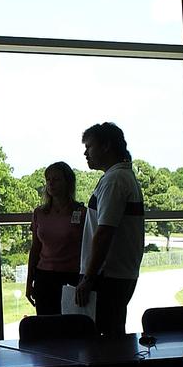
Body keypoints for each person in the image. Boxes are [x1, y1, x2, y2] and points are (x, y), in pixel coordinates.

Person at [75, 122, 144, 337]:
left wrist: (89, 277)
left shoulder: (114, 180)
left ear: (106, 146)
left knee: (103, 342)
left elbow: (104, 232)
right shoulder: (122, 177)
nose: (86, 153)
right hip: (117, 275)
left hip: (108, 276)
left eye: (89, 146)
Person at [26, 161, 84, 316]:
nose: (51, 183)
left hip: (71, 278)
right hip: (44, 278)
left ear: (68, 183)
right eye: (48, 179)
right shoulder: (39, 213)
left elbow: (89, 250)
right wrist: (29, 282)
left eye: (56, 179)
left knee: (71, 329)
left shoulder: (81, 212)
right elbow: (35, 248)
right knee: (47, 329)